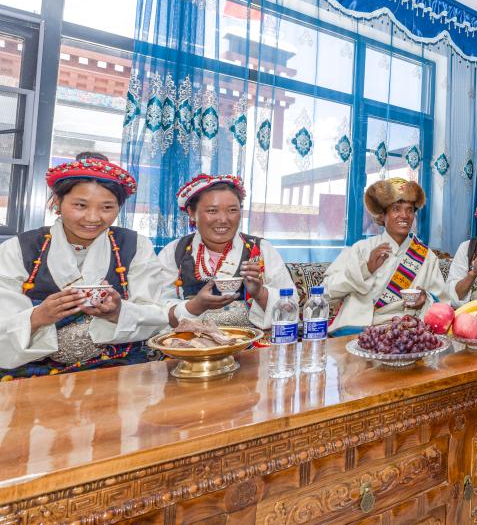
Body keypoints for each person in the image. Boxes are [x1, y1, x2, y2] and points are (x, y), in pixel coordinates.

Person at [0, 153, 166, 379]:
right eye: (80, 205)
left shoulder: (136, 245)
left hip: (117, 369)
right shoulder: (19, 248)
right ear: (57, 201)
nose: (93, 218)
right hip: (36, 374)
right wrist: (39, 316)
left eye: (107, 207)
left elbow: (156, 314)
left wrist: (118, 312)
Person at [157, 174, 294, 330]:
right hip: (191, 343)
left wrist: (260, 293)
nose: (223, 219)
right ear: (192, 213)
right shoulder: (175, 251)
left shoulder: (261, 249)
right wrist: (195, 306)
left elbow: (290, 308)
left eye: (232, 210)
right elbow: (158, 311)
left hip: (249, 342)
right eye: (212, 211)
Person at [323, 177, 447, 334]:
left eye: (409, 210)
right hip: (357, 331)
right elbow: (327, 290)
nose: (404, 215)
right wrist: (366, 269)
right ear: (382, 215)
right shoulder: (361, 249)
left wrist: (425, 300)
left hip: (405, 333)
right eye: (396, 209)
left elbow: (443, 303)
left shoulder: (427, 257)